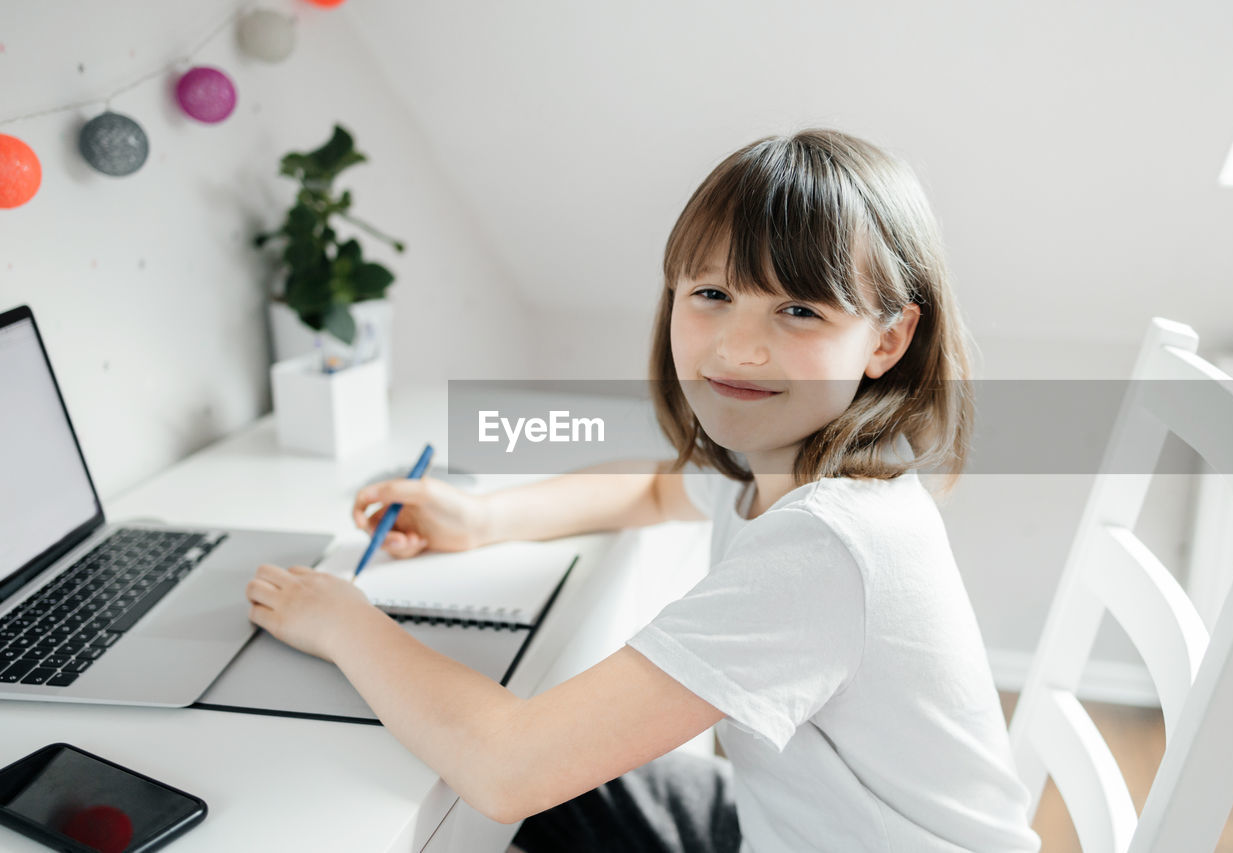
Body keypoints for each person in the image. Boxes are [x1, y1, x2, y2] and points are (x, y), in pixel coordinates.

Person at [245, 129, 1042, 852]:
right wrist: (484, 517)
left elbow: (508, 765)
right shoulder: (799, 455)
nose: (739, 347)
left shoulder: (827, 542)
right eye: (712, 295)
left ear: (888, 338)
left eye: (798, 310)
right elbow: (658, 488)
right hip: (788, 825)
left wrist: (342, 621)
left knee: (493, 773)